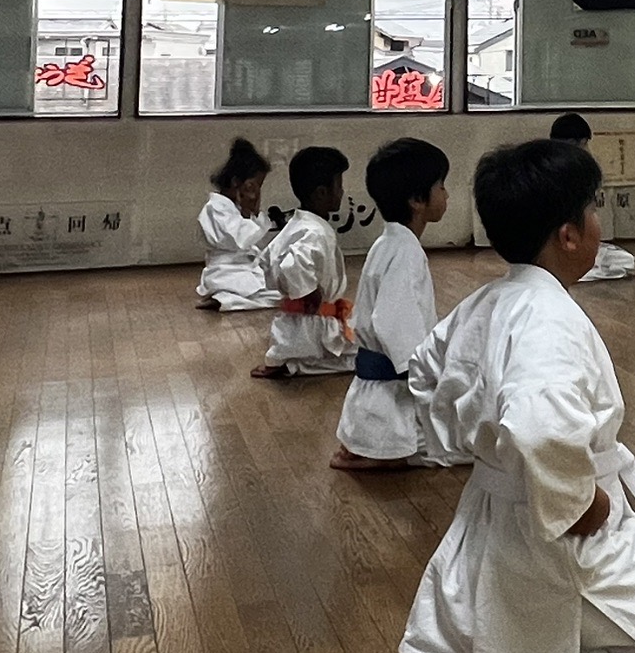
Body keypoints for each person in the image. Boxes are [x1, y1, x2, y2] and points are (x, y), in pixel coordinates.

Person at [399, 138, 635, 653]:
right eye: (593, 209)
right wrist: (577, 503)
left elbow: (425, 371)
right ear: (568, 235)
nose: (598, 222)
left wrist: (477, 448)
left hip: (499, 510)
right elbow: (540, 428)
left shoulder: (488, 301)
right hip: (561, 530)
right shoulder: (547, 319)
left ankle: (530, 647)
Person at [334, 138, 466, 471]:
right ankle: (383, 452)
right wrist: (432, 378)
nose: (446, 194)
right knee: (471, 444)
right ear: (417, 200)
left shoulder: (388, 243)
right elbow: (393, 325)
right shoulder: (405, 252)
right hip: (394, 403)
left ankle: (371, 445)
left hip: (378, 399)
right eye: (441, 186)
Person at [252, 147, 356, 378]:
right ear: (321, 193)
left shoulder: (298, 224)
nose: (342, 192)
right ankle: (292, 364)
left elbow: (268, 258)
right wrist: (309, 293)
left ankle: (286, 360)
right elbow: (292, 266)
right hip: (314, 328)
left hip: (298, 326)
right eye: (339, 186)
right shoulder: (315, 232)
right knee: (368, 355)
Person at [553, 112, 635, 282]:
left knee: (623, 260)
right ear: (578, 143)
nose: (586, 148)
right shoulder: (569, 168)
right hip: (564, 240)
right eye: (584, 143)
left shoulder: (578, 166)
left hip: (564, 240)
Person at [196, 137, 278, 311]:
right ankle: (223, 299)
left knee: (281, 290)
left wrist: (253, 212)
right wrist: (248, 213)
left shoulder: (235, 207)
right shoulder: (215, 208)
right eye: (253, 186)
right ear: (235, 182)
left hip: (243, 269)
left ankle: (226, 299)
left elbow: (257, 239)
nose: (256, 192)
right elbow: (239, 240)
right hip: (226, 272)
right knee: (275, 298)